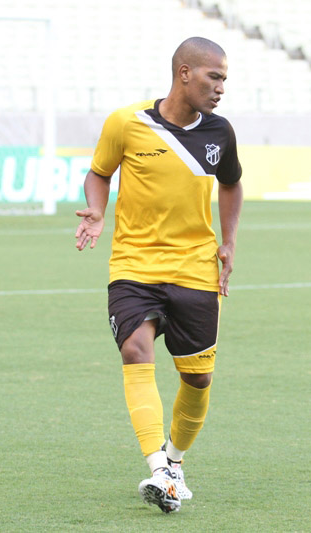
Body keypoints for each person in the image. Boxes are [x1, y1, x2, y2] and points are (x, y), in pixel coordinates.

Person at [75, 36, 243, 514]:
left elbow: (231, 184)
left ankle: (175, 459)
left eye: (225, 80)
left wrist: (228, 242)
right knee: (135, 348)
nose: (221, 89)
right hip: (133, 265)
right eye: (215, 77)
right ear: (184, 73)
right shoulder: (126, 123)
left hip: (194, 269)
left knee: (198, 380)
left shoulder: (220, 133)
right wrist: (96, 209)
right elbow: (99, 171)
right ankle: (158, 471)